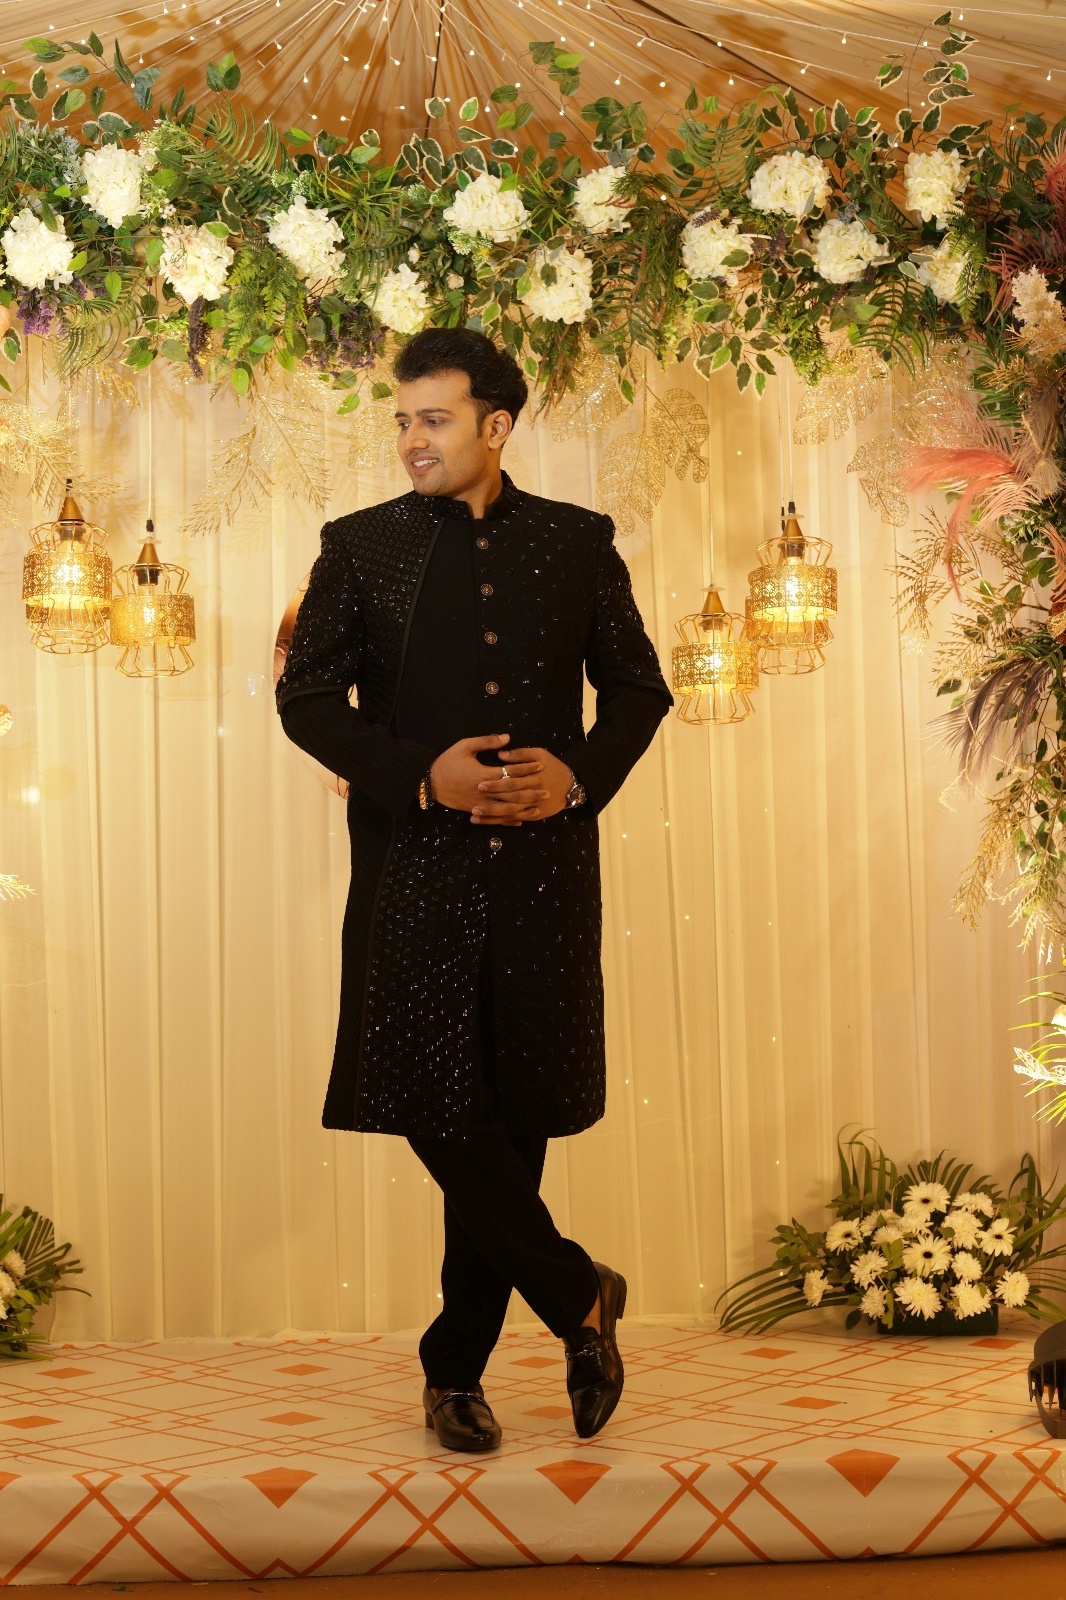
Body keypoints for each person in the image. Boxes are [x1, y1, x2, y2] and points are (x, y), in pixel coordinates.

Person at [276, 327, 672, 1452]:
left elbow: (638, 690)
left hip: (544, 876)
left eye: (435, 419)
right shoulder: (359, 546)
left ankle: (455, 1374)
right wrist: (420, 775)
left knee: (510, 1115)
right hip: (412, 869)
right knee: (431, 1101)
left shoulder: (577, 542)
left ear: (496, 426)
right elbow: (307, 701)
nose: (412, 439)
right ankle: (578, 1294)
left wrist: (577, 776)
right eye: (404, 419)